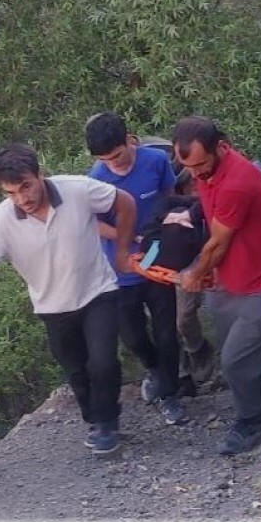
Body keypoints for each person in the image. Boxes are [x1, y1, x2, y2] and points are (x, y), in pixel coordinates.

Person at [0, 143, 136, 455]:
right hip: (53, 307)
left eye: (26, 186)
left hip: (97, 291)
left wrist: (121, 251)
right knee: (76, 369)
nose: (22, 199)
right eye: (11, 192)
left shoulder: (78, 190)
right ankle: (95, 417)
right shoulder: (0, 222)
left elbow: (125, 203)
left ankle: (106, 425)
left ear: (40, 175)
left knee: (103, 361)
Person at [172, 116, 261, 455]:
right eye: (187, 167)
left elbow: (218, 244)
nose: (195, 175)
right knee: (238, 355)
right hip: (231, 280)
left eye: (200, 165)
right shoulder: (208, 170)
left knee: (235, 361)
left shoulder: (236, 182)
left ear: (221, 147)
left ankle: (250, 419)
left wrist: (194, 274)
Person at [85, 113, 187, 426]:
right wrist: (129, 237)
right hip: (121, 267)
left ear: (129, 140)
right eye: (105, 159)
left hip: (157, 260)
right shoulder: (96, 178)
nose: (112, 163)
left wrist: (173, 227)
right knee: (132, 336)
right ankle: (153, 368)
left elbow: (173, 198)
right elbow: (95, 223)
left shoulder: (155, 161)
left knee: (167, 331)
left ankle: (171, 394)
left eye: (116, 156)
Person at [138, 168, 216, 396]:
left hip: (191, 265)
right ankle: (181, 374)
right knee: (163, 323)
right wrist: (145, 268)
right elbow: (152, 243)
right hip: (162, 270)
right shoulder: (166, 209)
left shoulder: (204, 210)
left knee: (183, 317)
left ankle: (197, 349)